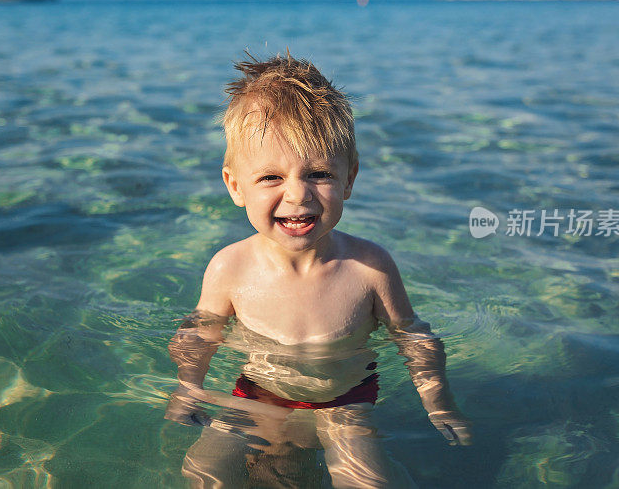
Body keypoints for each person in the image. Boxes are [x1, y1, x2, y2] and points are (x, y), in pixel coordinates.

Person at [166, 52, 471, 488]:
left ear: (349, 179)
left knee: (369, 484)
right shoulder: (229, 267)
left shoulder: (371, 268)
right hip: (258, 399)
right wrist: (187, 389)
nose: (297, 195)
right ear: (235, 186)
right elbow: (200, 333)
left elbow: (413, 337)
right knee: (202, 474)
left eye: (319, 173)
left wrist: (438, 402)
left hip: (344, 404)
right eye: (271, 178)